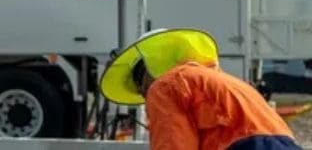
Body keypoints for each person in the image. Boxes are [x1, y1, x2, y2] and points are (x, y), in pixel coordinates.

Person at [101, 28, 300, 150]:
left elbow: (174, 145)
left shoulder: (165, 86)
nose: (143, 94)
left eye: (139, 86)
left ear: (146, 71)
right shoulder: (223, 82)